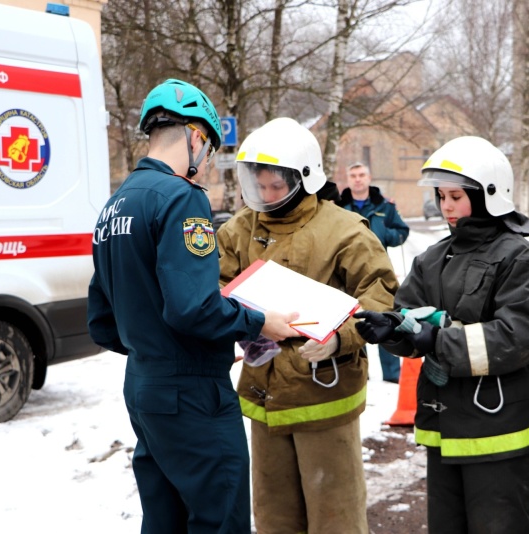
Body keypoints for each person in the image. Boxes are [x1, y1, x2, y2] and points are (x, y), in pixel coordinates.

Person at [86, 79, 299, 533]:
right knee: (219, 518)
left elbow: (102, 322)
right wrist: (261, 322)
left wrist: (157, 349)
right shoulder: (182, 198)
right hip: (192, 395)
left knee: (164, 519)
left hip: (144, 387)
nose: (204, 167)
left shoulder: (114, 206)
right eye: (208, 149)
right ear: (196, 137)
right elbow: (191, 309)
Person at [355, 136, 529, 533]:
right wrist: (392, 330)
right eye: (441, 196)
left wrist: (436, 339)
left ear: (489, 195)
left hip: (501, 432)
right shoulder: (432, 258)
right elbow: (409, 318)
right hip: (444, 431)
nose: (445, 206)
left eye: (456, 196)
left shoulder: (521, 258)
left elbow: (517, 338)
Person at [215, 117, 398, 534]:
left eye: (276, 186)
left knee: (335, 518)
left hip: (325, 397)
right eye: (258, 185)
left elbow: (380, 294)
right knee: (275, 518)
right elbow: (217, 284)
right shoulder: (240, 229)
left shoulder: (344, 230)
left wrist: (340, 340)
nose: (265, 195)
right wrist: (243, 323)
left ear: (304, 178)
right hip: (265, 397)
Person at [338, 162, 410, 382]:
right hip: (347, 273)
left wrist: (381, 233)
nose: (357, 179)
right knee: (354, 321)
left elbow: (401, 232)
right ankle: (360, 375)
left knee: (384, 319)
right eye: (353, 175)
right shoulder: (339, 206)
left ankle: (392, 377)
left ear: (369, 178)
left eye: (361, 175)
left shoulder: (385, 206)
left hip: (379, 272)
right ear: (348, 180)